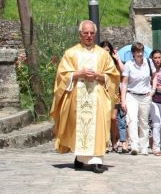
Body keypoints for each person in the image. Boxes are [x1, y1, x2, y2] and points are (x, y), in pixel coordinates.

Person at [51, 20, 119, 173]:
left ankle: (97, 161)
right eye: (85, 33)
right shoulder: (71, 53)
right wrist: (78, 74)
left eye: (91, 33)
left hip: (98, 96)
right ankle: (80, 158)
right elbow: (61, 75)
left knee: (98, 126)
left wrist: (99, 76)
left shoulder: (103, 54)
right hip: (78, 96)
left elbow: (113, 76)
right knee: (79, 127)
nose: (89, 36)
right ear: (80, 34)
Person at [120, 42, 155, 156]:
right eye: (137, 52)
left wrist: (153, 90)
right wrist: (123, 100)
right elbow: (124, 83)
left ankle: (144, 146)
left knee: (144, 122)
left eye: (141, 51)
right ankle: (134, 145)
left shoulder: (149, 63)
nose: (139, 54)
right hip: (132, 95)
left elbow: (154, 77)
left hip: (145, 95)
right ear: (133, 53)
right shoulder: (129, 65)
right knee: (132, 120)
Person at [99, 40, 125, 152]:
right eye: (103, 50)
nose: (106, 52)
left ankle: (115, 140)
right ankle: (105, 142)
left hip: (114, 93)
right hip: (101, 92)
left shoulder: (114, 62)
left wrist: (117, 58)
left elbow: (123, 72)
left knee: (113, 118)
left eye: (107, 50)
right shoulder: (98, 62)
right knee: (104, 119)